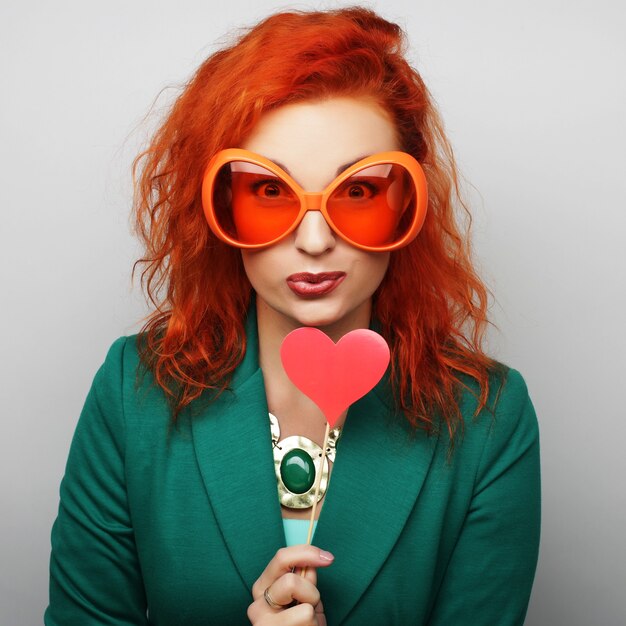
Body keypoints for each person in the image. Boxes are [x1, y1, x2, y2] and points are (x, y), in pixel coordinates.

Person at [45, 7, 540, 626]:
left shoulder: (487, 418)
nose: (313, 239)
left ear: (405, 205)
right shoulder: (133, 392)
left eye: (357, 191)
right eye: (270, 191)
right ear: (220, 204)